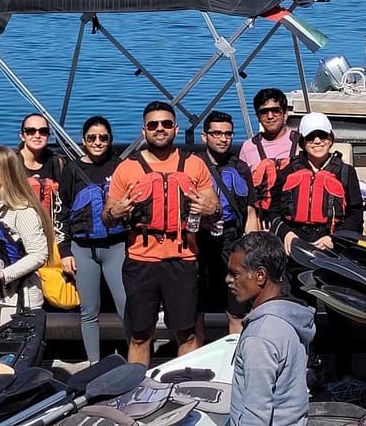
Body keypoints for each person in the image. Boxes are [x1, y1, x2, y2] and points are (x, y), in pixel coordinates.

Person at [102, 101, 218, 366]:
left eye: (166, 123)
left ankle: (185, 391)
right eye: (153, 124)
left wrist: (212, 208)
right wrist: (115, 212)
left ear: (175, 128)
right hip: (141, 261)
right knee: (141, 334)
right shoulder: (127, 168)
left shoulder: (195, 165)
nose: (160, 129)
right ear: (144, 131)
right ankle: (136, 392)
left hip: (182, 259)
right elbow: (107, 217)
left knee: (187, 333)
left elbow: (215, 208)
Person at [267, 111, 363, 391]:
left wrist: (335, 238)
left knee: (338, 316)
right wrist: (286, 233)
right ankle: (300, 373)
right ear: (303, 142)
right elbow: (273, 210)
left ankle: (343, 374)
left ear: (331, 139)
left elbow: (356, 214)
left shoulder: (346, 173)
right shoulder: (288, 171)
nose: (317, 141)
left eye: (323, 136)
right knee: (298, 314)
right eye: (311, 137)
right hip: (296, 249)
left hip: (331, 252)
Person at [57, 116, 126, 364]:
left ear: (110, 140)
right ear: (83, 140)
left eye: (103, 138)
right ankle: (94, 364)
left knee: (126, 306)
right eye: (92, 138)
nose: (98, 142)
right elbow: (61, 212)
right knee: (88, 311)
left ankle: (136, 361)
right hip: (82, 249)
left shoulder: (120, 167)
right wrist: (65, 251)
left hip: (115, 246)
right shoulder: (72, 171)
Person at [227, 232, 315, 426]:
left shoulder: (260, 337)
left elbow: (256, 415)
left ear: (260, 275)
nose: (228, 280)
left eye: (235, 274)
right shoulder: (290, 317)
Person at [0, 145, 55, 329]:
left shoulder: (22, 211)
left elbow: (39, 254)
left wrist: (3, 274)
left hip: (18, 300)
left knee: (9, 356)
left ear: (2, 173)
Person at [196, 110, 259, 338]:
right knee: (196, 304)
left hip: (232, 238)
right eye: (217, 134)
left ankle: (235, 353)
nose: (223, 139)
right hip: (200, 239)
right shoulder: (194, 166)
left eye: (228, 134)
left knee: (237, 305)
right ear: (205, 136)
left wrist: (248, 246)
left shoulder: (240, 167)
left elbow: (251, 208)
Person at [239, 89, 300, 220]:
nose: (270, 116)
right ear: (257, 116)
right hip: (262, 219)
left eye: (276, 110)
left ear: (285, 114)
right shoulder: (248, 147)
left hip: (296, 220)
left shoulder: (302, 143)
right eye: (264, 112)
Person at [17, 113, 66, 249]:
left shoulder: (57, 162)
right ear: (22, 135)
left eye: (43, 131)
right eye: (31, 131)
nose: (37, 135)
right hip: (18, 234)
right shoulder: (11, 163)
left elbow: (64, 202)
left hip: (50, 232)